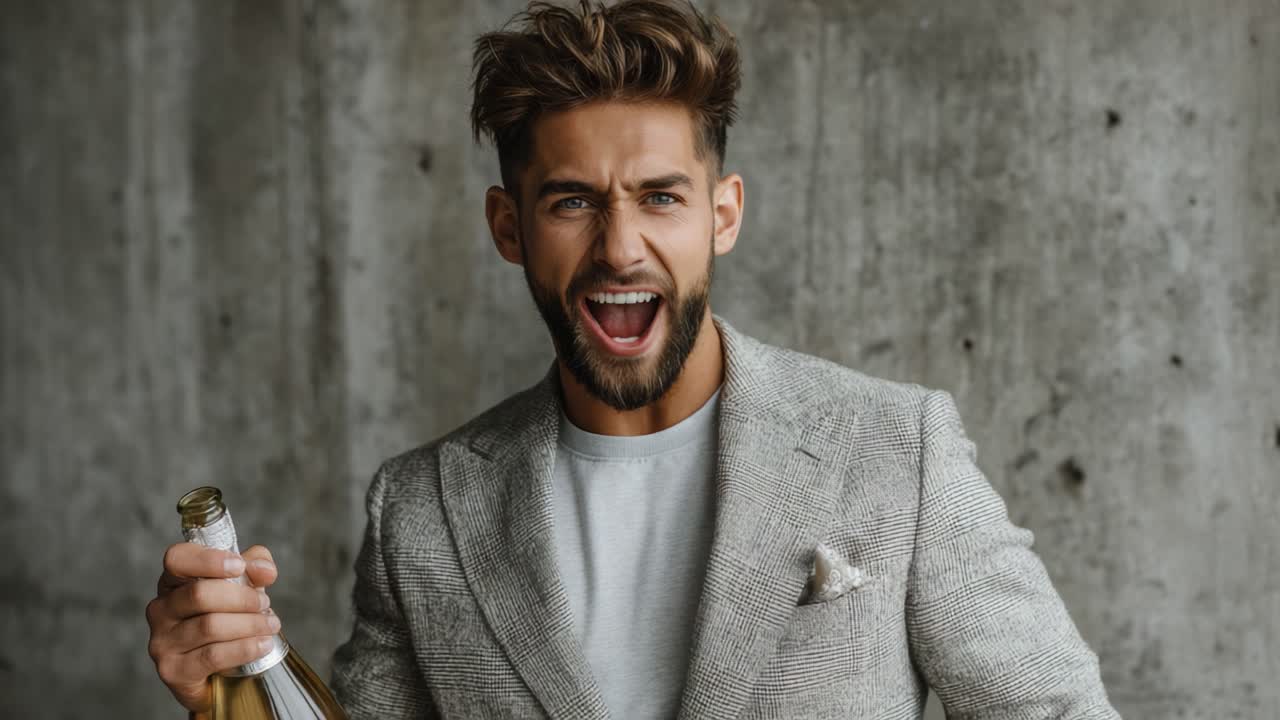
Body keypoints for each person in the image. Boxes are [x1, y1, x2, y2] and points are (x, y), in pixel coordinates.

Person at [145, 1, 1121, 717]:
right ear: (508, 225)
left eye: (659, 197)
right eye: (572, 200)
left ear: (721, 214)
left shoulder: (894, 451)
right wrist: (215, 694)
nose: (619, 248)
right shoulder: (421, 514)